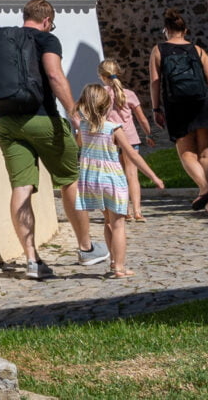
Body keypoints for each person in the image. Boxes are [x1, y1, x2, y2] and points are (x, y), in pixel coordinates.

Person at [0, 0, 98, 278]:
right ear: (47, 21)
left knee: (21, 188)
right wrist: (74, 113)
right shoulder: (47, 40)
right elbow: (54, 75)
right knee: (69, 180)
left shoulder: (3, 42)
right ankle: (86, 249)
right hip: (43, 120)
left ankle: (32, 260)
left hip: (6, 122)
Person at [149, 10, 208, 212]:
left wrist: (155, 108)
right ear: (185, 30)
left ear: (166, 30)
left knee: (187, 153)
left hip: (177, 105)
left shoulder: (159, 50)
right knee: (205, 153)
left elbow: (155, 82)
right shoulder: (198, 50)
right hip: (203, 102)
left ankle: (205, 189)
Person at [72, 82, 141, 277]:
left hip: (91, 181)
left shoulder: (83, 128)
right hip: (112, 180)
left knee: (108, 222)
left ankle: (113, 263)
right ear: (107, 104)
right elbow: (131, 154)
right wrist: (153, 176)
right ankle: (119, 267)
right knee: (118, 224)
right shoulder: (112, 127)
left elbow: (79, 143)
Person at [99, 61, 161, 221]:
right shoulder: (129, 94)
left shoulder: (101, 94)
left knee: (117, 176)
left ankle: (124, 210)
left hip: (110, 139)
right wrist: (148, 134)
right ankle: (138, 211)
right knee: (132, 175)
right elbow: (141, 118)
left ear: (101, 76)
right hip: (131, 138)